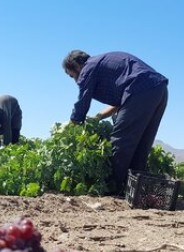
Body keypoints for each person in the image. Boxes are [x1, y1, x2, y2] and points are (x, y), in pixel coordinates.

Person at [63, 50, 169, 195]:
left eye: (72, 75)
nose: (75, 80)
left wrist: (70, 126)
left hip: (140, 91)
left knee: (120, 142)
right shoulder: (102, 64)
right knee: (141, 145)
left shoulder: (88, 68)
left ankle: (114, 188)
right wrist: (98, 116)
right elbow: (122, 102)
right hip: (159, 90)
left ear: (75, 66)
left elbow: (82, 102)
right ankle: (134, 189)